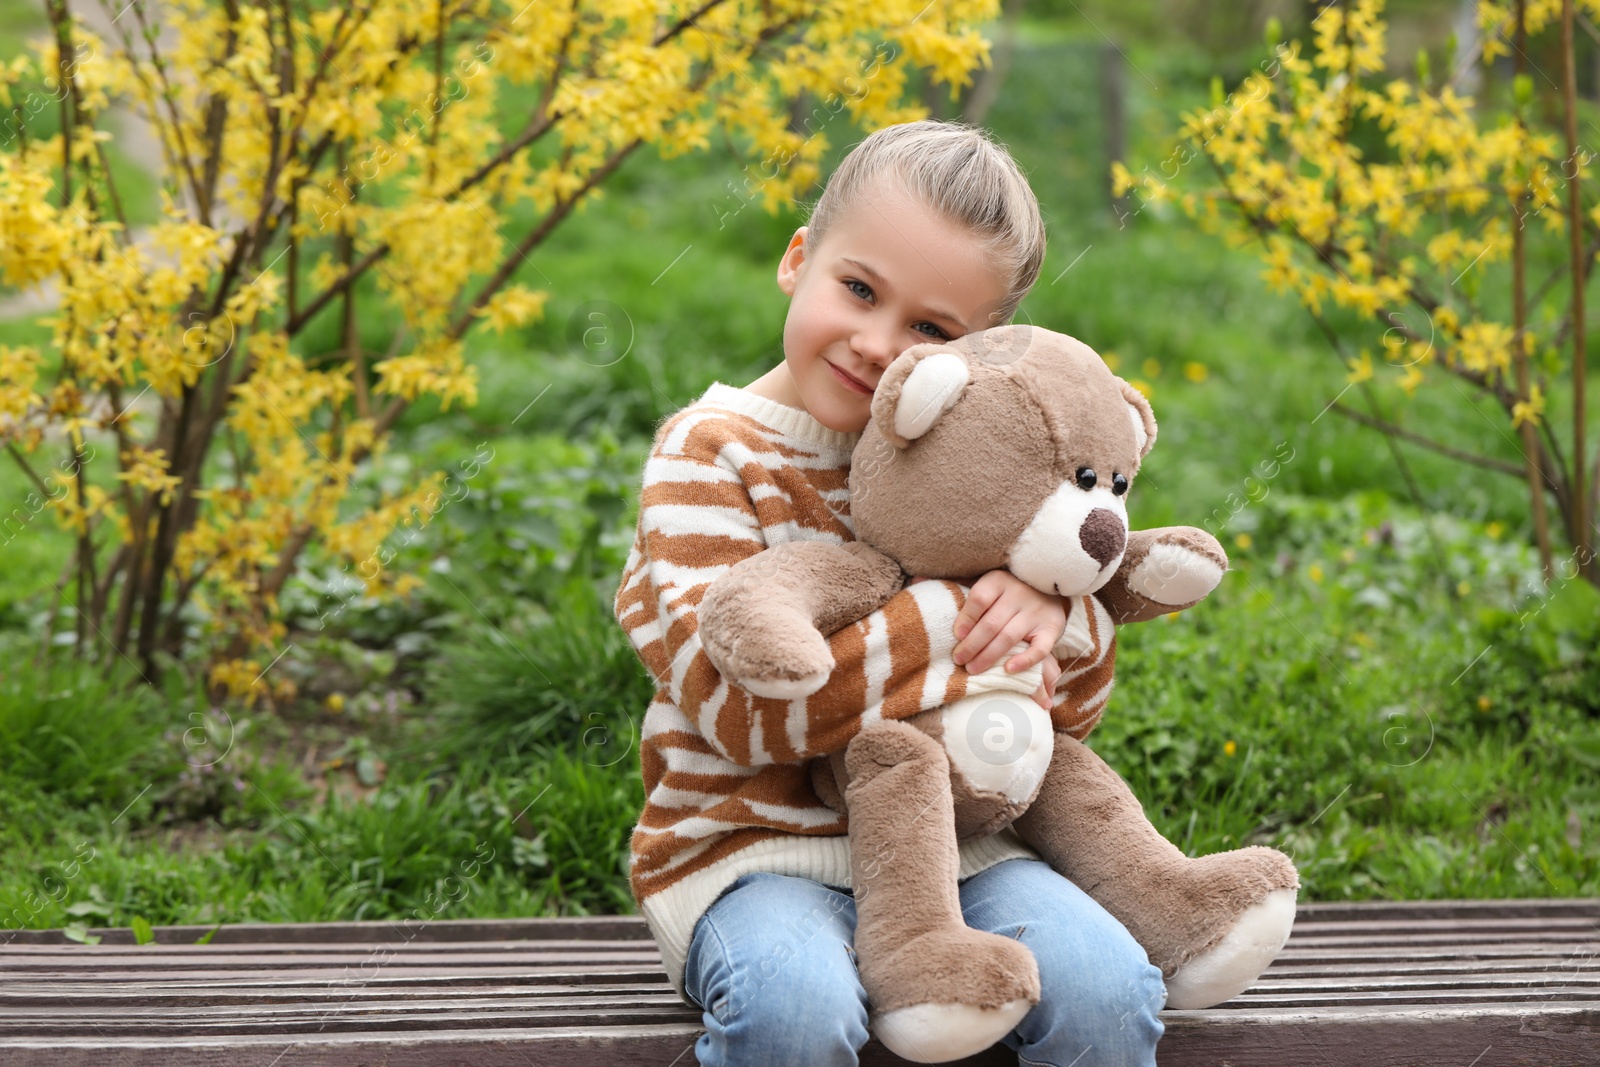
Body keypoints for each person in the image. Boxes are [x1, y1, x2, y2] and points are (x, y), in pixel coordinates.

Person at [612, 120, 1166, 1067]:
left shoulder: (985, 463)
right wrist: (959, 624)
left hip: (963, 853)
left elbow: (1069, 716)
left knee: (1111, 989)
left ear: (981, 348)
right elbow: (741, 713)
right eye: (859, 289)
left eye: (931, 328)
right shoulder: (709, 457)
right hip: (753, 853)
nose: (877, 344)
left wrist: (1058, 615)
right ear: (799, 258)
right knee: (794, 1009)